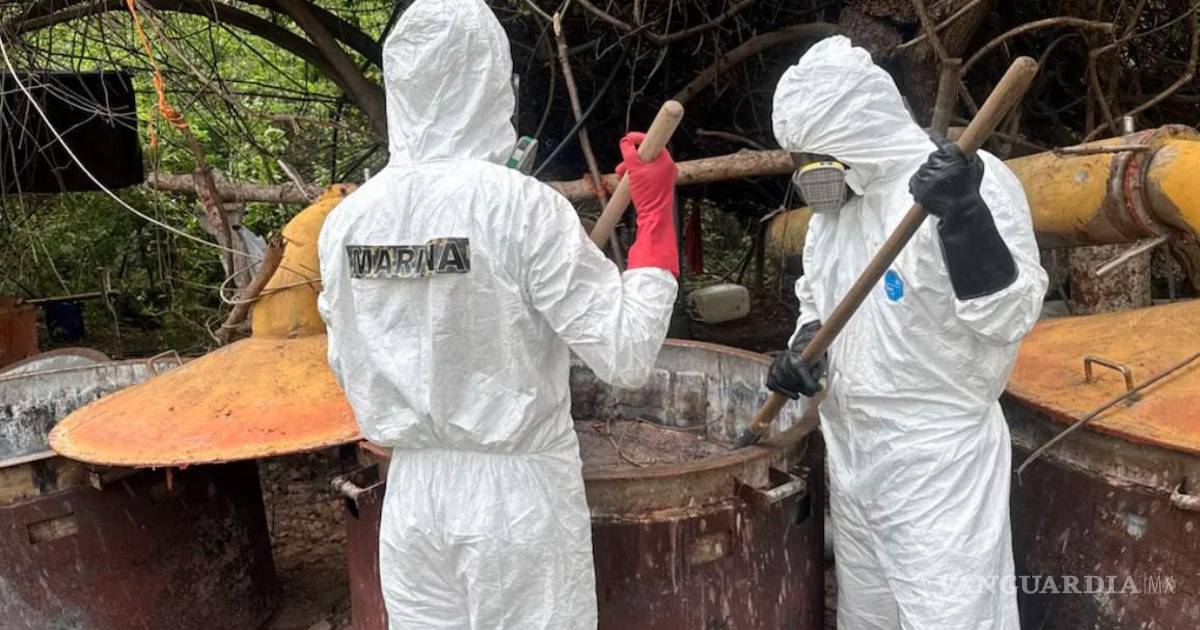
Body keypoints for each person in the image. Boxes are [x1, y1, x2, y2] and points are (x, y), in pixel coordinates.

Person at [316, 0, 679, 628]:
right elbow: (626, 354)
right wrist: (655, 216)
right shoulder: (519, 207)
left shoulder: (346, 223)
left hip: (412, 501)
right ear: (493, 81)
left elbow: (347, 360)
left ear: (400, 85)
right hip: (516, 508)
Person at [768, 36, 1048, 629]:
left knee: (950, 617)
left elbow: (1008, 316)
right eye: (800, 157)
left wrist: (964, 217)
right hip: (854, 453)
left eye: (817, 155)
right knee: (869, 616)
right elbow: (817, 302)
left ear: (856, 135)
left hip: (935, 465)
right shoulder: (832, 217)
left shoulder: (968, 184)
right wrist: (804, 351)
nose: (808, 172)